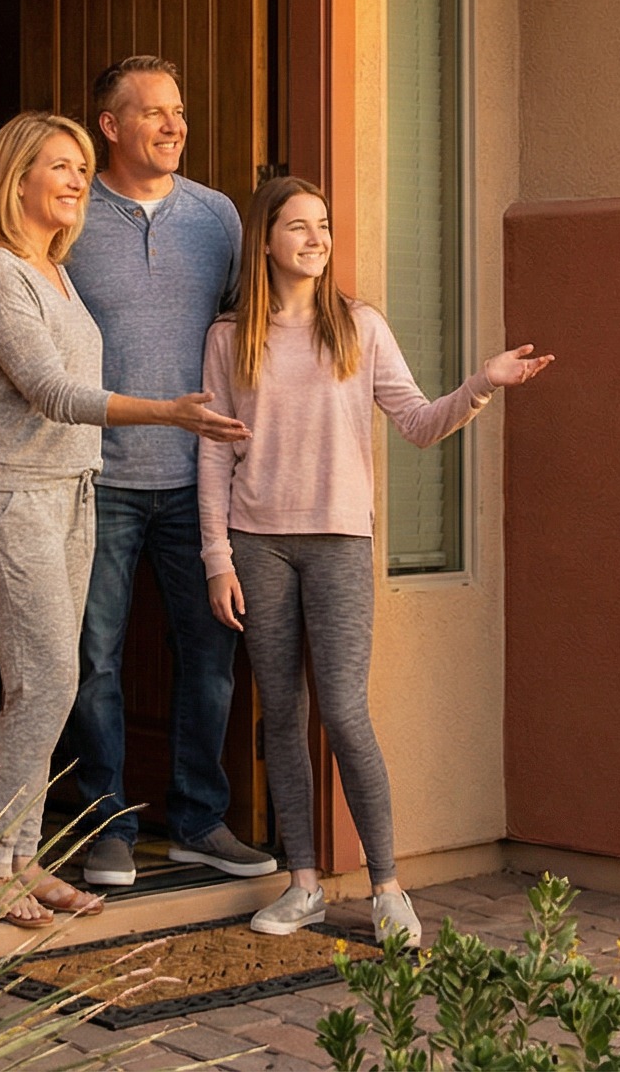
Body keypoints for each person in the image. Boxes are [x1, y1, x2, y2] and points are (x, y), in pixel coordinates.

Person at [200, 176, 553, 945]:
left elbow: (420, 424)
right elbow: (214, 452)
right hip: (258, 545)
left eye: (323, 225)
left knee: (346, 711)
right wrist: (216, 557)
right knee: (282, 718)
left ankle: (388, 886)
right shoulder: (231, 337)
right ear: (266, 241)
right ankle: (302, 885)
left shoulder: (358, 327)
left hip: (338, 545)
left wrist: (480, 386)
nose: (316, 239)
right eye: (298, 227)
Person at [0, 55, 276, 891]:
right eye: (154, 113)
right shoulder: (57, 231)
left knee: (207, 654)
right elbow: (32, 362)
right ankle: (102, 826)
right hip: (95, 477)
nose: (174, 125)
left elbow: (249, 333)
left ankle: (199, 819)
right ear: (110, 125)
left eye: (179, 110)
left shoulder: (214, 219)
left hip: (193, 477)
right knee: (81, 666)